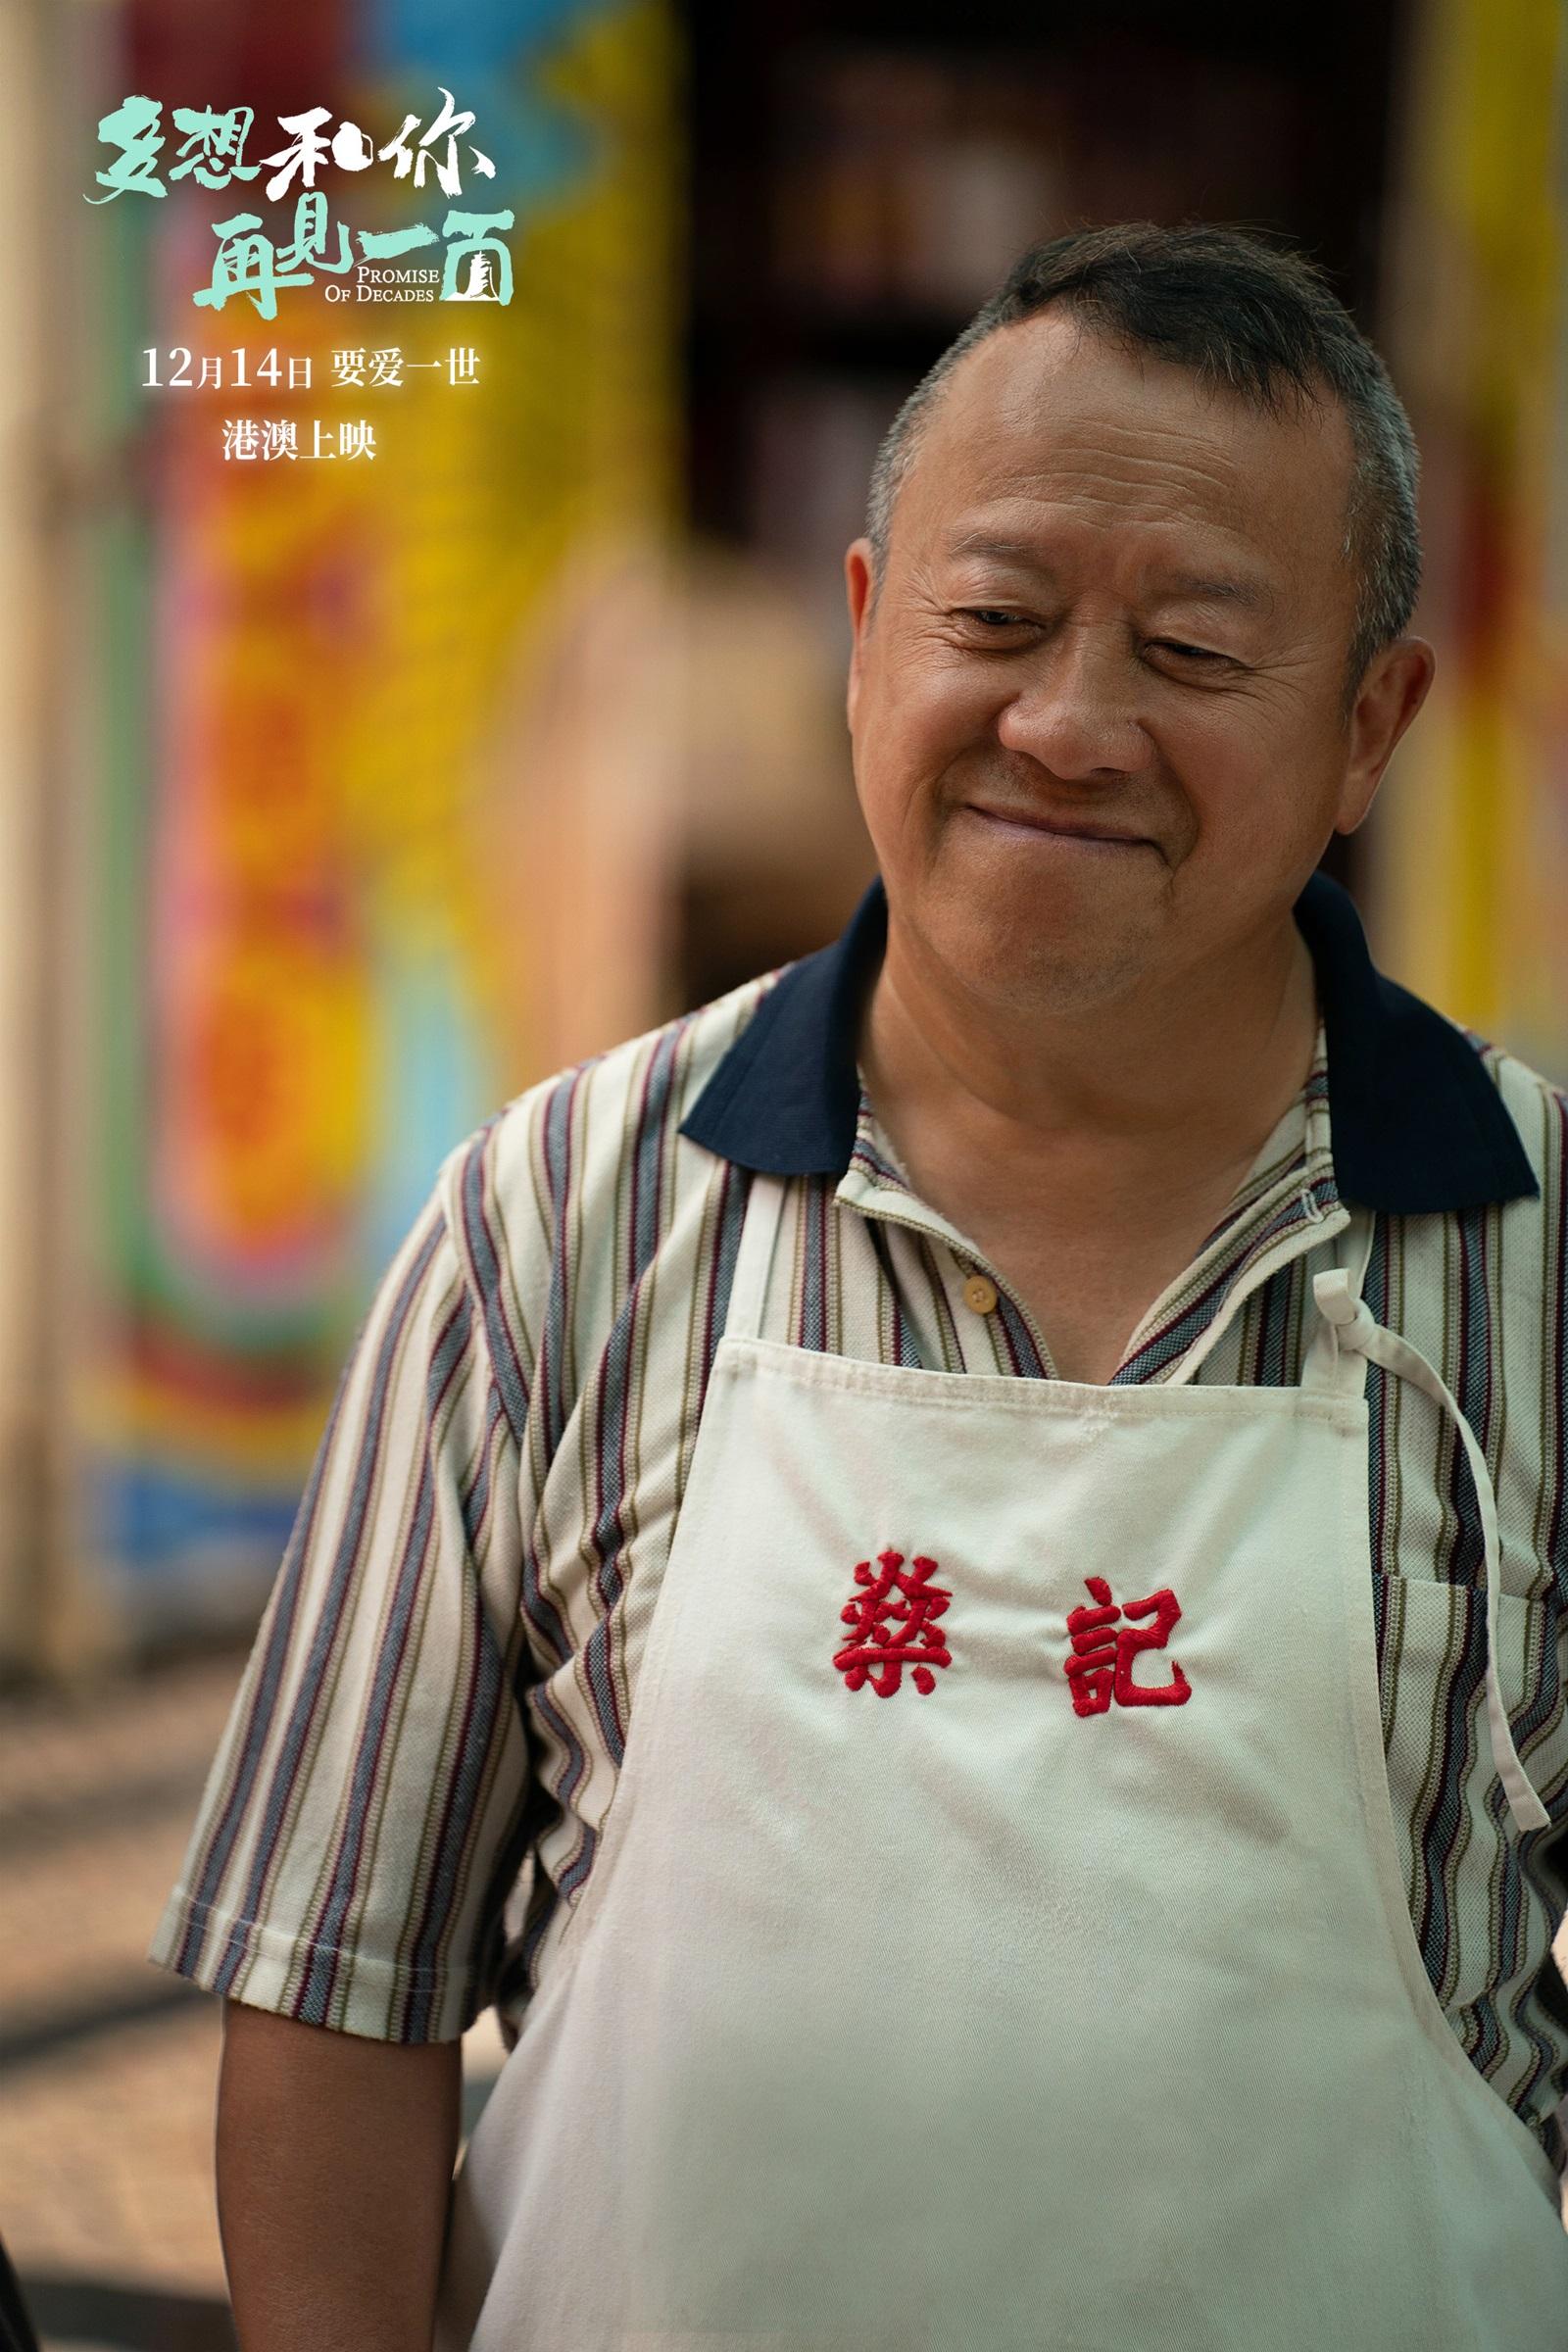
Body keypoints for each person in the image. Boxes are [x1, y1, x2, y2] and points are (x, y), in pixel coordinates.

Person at [148, 223, 1568, 2350]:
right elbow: (335, 2002)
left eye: (1190, 652)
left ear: (1368, 724)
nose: (1065, 726)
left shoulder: (1532, 1258)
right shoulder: (556, 1224)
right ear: (861, 633)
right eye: (990, 619)